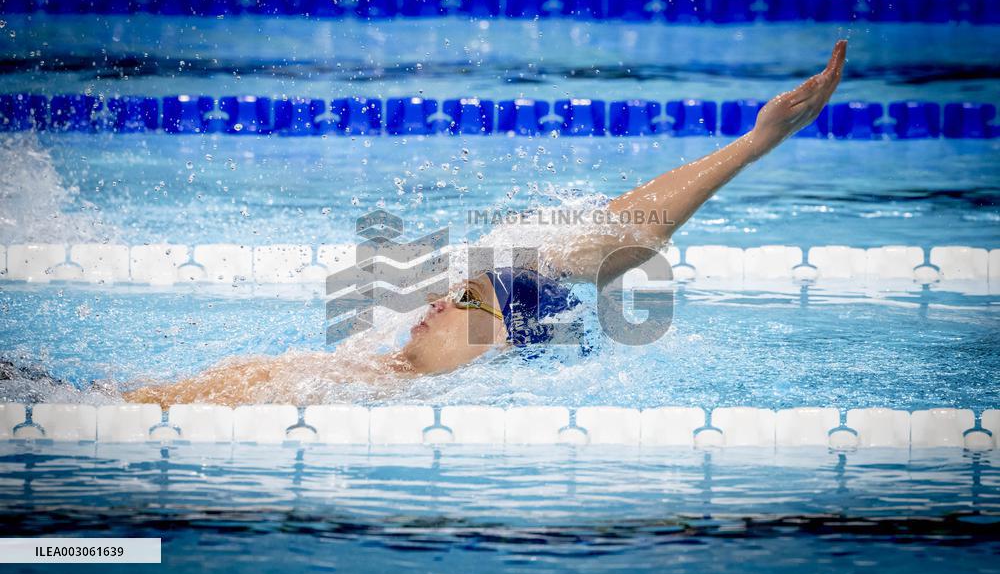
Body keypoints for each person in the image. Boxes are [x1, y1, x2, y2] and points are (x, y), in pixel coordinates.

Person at [125, 40, 847, 407]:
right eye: (457, 292)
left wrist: (757, 145)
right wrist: (751, 143)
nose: (436, 299)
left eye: (469, 301)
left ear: (505, 345)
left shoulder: (399, 411)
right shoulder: (375, 369)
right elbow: (611, 233)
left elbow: (622, 244)